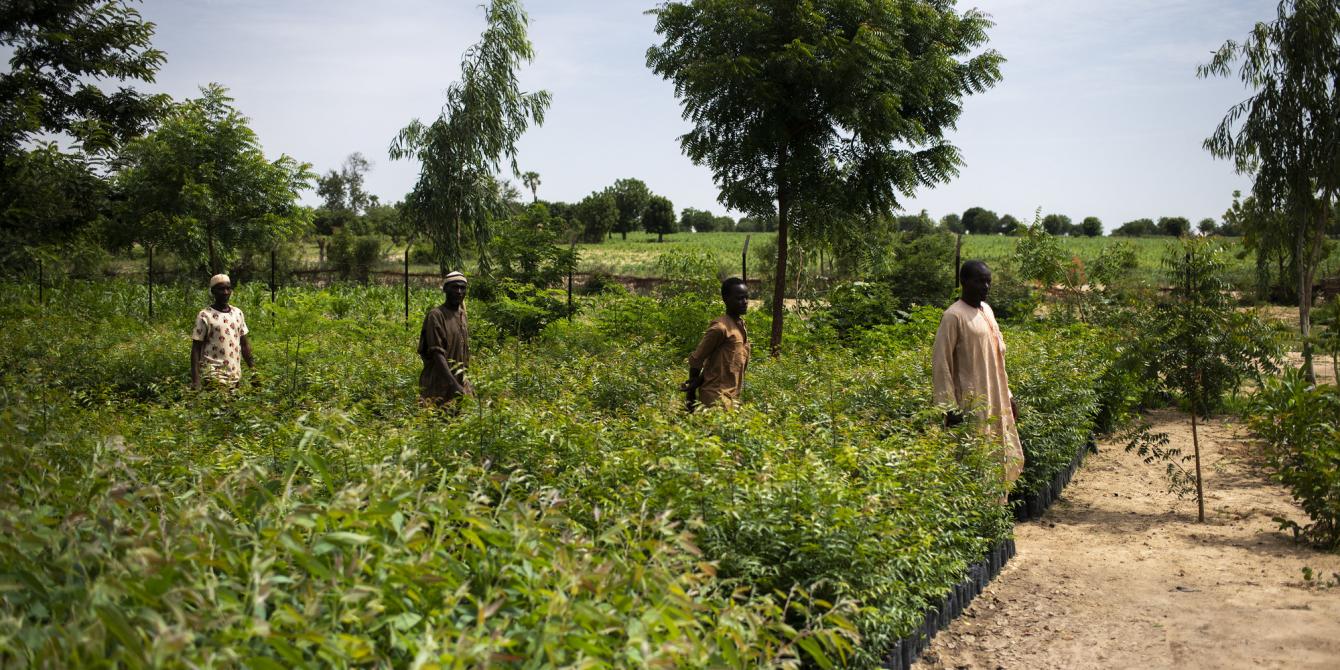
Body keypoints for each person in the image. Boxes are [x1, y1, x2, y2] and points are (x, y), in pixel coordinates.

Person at [932, 260, 1024, 487]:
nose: (985, 286)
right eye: (979, 281)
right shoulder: (953, 316)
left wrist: (1009, 396)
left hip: (996, 398)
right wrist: (950, 408)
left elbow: (997, 360)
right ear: (964, 282)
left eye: (988, 281)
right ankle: (974, 516)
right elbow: (941, 362)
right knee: (973, 457)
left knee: (998, 452)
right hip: (971, 403)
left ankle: (995, 513)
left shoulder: (988, 311)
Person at [682, 277, 751, 411]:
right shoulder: (720, 328)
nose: (744, 302)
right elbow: (697, 360)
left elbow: (720, 365)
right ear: (726, 299)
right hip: (716, 399)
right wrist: (691, 399)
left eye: (746, 297)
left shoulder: (741, 326)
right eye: (739, 298)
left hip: (733, 399)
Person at [418, 271, 474, 406]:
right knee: (435, 423)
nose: (459, 291)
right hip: (438, 386)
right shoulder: (436, 316)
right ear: (445, 289)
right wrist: (453, 384)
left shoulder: (462, 315)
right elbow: (437, 354)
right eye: (455, 287)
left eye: (462, 288)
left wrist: (466, 382)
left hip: (459, 385)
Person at [191, 274, 254, 390]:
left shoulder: (237, 313)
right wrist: (196, 380)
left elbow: (244, 345)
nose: (225, 292)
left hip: (234, 376)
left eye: (228, 288)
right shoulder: (205, 315)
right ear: (213, 291)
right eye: (221, 289)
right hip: (213, 376)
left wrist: (254, 373)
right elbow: (196, 348)